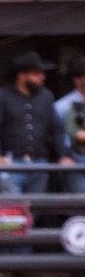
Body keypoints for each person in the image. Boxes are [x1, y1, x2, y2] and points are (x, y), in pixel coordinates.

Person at [0, 51, 72, 196]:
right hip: (11, 161)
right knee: (12, 209)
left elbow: (57, 128)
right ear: (22, 75)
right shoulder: (1, 96)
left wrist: (63, 155)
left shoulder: (46, 96)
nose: (41, 78)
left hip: (39, 161)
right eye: (36, 73)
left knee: (36, 208)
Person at [54, 58, 85, 193]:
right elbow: (59, 134)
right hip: (74, 157)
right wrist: (63, 155)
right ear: (77, 79)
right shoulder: (62, 106)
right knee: (78, 201)